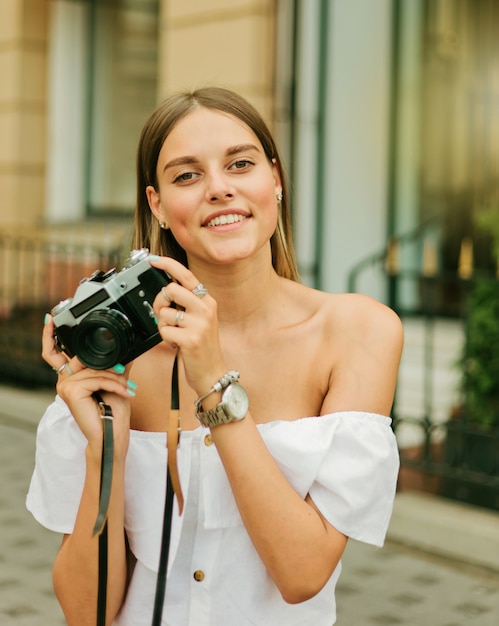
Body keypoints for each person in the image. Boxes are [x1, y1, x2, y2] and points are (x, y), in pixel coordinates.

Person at [27, 86, 403, 626]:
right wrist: (104, 450)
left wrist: (213, 384)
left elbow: (302, 575)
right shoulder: (116, 354)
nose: (219, 189)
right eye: (187, 175)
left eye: (240, 164)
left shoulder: (356, 333)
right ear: (157, 205)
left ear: (274, 180)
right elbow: (87, 615)